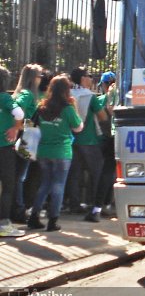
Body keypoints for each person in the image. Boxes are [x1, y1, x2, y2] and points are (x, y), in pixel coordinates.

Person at [28, 75, 83, 231]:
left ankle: (34, 217)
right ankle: (53, 221)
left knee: (45, 184)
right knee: (58, 185)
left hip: (43, 151)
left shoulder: (41, 107)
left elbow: (31, 125)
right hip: (62, 152)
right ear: (66, 90)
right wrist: (75, 108)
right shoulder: (68, 108)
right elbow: (78, 127)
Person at [65, 67, 108, 214]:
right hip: (89, 140)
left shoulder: (68, 95)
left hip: (71, 140)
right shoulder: (90, 96)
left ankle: (74, 204)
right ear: (83, 79)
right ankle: (94, 204)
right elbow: (103, 116)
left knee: (74, 173)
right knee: (97, 172)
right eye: (89, 76)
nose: (91, 79)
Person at [11, 63, 43, 223]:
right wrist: (19, 126)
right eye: (39, 76)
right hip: (26, 136)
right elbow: (18, 109)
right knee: (20, 176)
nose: (41, 79)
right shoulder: (28, 94)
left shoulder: (21, 93)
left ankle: (17, 208)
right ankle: (19, 209)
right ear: (33, 78)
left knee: (17, 175)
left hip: (22, 134)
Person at [84, 71, 117, 222]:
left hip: (103, 140)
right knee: (110, 174)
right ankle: (106, 205)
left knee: (102, 173)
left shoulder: (102, 99)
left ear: (104, 85)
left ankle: (96, 206)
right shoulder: (123, 93)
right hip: (118, 138)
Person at [0, 66, 25, 237]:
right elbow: (19, 113)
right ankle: (4, 224)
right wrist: (16, 128)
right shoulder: (4, 98)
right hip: (4, 148)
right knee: (8, 185)